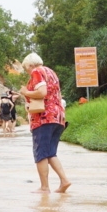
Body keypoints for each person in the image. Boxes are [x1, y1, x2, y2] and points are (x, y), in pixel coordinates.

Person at [22, 52, 71, 192]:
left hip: (43, 117)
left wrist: (26, 92)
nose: (28, 72)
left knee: (41, 153)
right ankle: (64, 181)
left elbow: (42, 92)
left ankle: (44, 187)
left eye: (27, 69)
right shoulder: (51, 72)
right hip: (58, 116)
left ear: (31, 65)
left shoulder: (37, 71)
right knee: (50, 153)